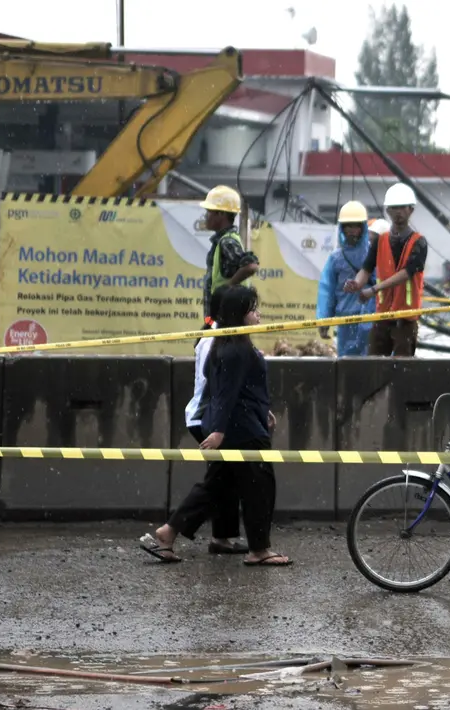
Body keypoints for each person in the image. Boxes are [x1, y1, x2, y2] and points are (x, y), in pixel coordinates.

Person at [140, 286, 290, 566]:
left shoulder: (225, 343)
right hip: (243, 430)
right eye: (253, 309)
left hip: (240, 422)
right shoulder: (236, 348)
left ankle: (168, 532)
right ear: (240, 314)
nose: (258, 314)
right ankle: (259, 550)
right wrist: (219, 430)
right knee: (260, 487)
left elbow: (222, 383)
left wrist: (260, 409)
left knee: (217, 485)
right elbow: (225, 393)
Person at [176, 284, 246, 556]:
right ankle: (170, 531)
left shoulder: (223, 335)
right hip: (205, 419)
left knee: (226, 478)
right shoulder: (214, 339)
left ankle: (222, 537)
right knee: (219, 480)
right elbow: (215, 385)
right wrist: (219, 426)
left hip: (212, 417)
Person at [343, 183, 428, 357]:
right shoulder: (380, 241)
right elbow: (366, 269)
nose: (398, 212)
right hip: (382, 317)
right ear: (388, 211)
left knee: (402, 369)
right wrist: (356, 283)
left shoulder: (419, 243)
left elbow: (406, 273)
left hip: (406, 320)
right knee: (374, 365)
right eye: (394, 208)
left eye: (402, 208)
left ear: (411, 210)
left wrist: (374, 289)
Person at [317, 201, 375, 356]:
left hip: (370, 319)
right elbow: (327, 290)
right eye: (348, 226)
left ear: (363, 227)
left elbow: (381, 284)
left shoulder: (373, 252)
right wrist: (324, 320)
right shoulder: (336, 258)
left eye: (356, 226)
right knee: (346, 364)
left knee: (369, 364)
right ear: (342, 228)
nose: (352, 230)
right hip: (345, 321)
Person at [199, 185, 259, 327]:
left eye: (209, 212)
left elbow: (251, 266)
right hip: (219, 318)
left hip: (224, 319)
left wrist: (226, 290)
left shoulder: (227, 241)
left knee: (203, 346)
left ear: (221, 214)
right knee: (202, 345)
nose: (206, 216)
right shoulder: (224, 240)